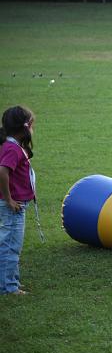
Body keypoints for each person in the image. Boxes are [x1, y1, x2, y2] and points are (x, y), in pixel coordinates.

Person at [0, 106, 35, 295]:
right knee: (10, 245)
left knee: (11, 244)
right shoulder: (12, 149)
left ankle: (10, 280)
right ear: (26, 127)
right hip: (13, 206)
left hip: (16, 205)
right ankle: (8, 287)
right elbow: (2, 172)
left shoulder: (12, 146)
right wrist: (9, 200)